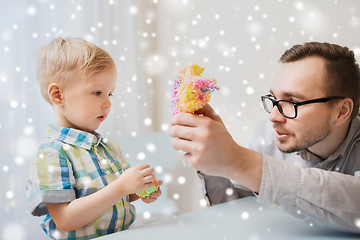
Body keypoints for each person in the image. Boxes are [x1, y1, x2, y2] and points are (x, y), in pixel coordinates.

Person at [169, 42, 360, 233]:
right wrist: (214, 164)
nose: (274, 117)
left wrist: (244, 163)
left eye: (292, 102)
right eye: (274, 99)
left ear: (342, 112)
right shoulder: (268, 137)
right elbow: (237, 207)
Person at [26, 37, 162, 239]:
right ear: (58, 95)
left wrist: (137, 190)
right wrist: (121, 187)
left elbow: (113, 197)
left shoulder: (108, 147)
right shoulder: (51, 154)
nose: (108, 103)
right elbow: (65, 219)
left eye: (110, 94)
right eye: (98, 92)